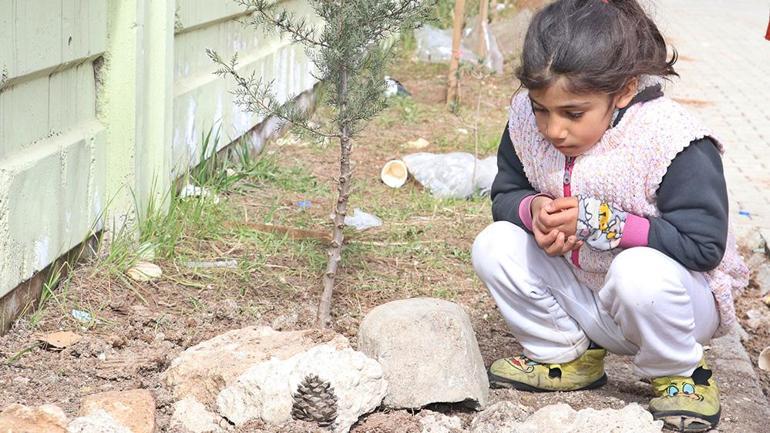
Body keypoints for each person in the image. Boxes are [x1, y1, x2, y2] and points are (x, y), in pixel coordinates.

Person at [471, 0, 749, 432]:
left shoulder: (672, 140)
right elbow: (507, 191)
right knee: (494, 244)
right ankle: (565, 354)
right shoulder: (526, 122)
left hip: (671, 306)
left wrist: (604, 223)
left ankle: (680, 374)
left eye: (573, 113)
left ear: (624, 90)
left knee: (638, 271)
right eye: (542, 108)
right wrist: (534, 211)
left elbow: (703, 246)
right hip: (587, 296)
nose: (553, 129)